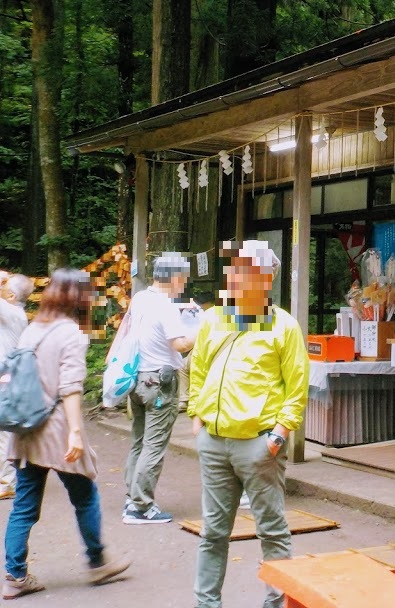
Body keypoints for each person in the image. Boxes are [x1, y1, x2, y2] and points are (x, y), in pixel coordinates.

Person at [189, 241, 309, 608]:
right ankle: (206, 604)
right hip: (214, 441)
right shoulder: (214, 319)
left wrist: (279, 435)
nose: (236, 278)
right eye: (235, 270)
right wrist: (197, 417)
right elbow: (199, 369)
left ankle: (276, 604)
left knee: (271, 530)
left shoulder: (284, 325)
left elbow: (297, 385)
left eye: (246, 271)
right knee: (213, 532)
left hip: (259, 444)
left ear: (265, 279)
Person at [3, 269, 131, 599]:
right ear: (78, 296)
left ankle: (15, 576)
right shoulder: (71, 334)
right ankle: (98, 562)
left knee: (24, 506)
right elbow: (71, 388)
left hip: (27, 429)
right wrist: (75, 433)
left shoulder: (33, 329)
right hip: (56, 431)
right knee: (85, 496)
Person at [122, 253, 196, 524]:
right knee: (154, 445)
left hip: (138, 378)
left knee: (140, 441)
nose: (184, 284)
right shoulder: (165, 305)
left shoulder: (142, 298)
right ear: (176, 277)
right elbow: (179, 344)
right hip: (161, 381)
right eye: (184, 279)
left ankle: (132, 496)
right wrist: (200, 330)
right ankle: (140, 507)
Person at [0, 273, 33, 501]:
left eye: (3, 285)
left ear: (11, 295)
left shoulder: (11, 313)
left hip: (7, 381)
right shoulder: (11, 313)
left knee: (4, 435)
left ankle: (7, 482)